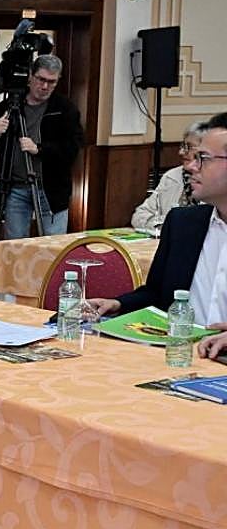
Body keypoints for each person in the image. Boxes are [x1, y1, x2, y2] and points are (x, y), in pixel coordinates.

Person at [87, 112, 227, 357]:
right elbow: (157, 295)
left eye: (202, 158)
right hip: (178, 357)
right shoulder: (184, 224)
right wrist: (118, 304)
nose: (191, 167)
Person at [0, 54, 83, 239]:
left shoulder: (64, 108)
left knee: (52, 247)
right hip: (15, 188)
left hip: (50, 190)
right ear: (31, 76)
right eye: (41, 79)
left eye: (52, 82)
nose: (45, 86)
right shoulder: (12, 104)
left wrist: (39, 149)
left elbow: (72, 148)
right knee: (15, 247)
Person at [130, 121, 205, 234]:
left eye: (188, 147)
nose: (181, 152)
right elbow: (139, 215)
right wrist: (167, 225)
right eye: (182, 146)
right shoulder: (171, 177)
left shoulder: (217, 183)